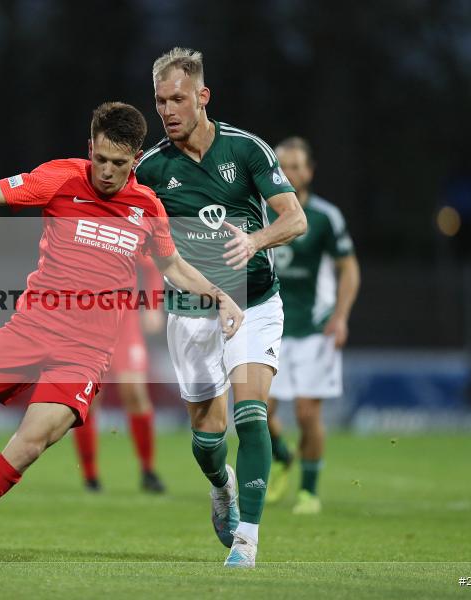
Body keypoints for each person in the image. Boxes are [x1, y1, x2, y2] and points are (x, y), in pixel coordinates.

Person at [0, 101, 243, 569]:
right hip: (28, 330)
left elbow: (172, 266)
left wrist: (220, 295)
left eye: (120, 163)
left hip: (84, 354)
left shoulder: (146, 207)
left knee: (28, 445)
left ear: (136, 159)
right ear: (89, 147)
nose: (108, 172)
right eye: (101, 159)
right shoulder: (59, 179)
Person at [134, 48, 306, 567]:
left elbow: (294, 219)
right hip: (190, 311)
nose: (168, 110)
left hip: (254, 302)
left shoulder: (246, 150)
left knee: (251, 413)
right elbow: (132, 238)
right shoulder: (150, 169)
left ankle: (247, 539)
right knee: (207, 443)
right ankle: (223, 486)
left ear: (202, 96)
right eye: (160, 101)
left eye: (178, 99)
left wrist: (255, 241)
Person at [265, 136, 360, 514]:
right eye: (281, 166)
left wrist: (340, 316)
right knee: (256, 410)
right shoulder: (260, 209)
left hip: (315, 328)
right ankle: (282, 455)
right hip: (271, 324)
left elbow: (349, 267)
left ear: (309, 171)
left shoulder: (324, 217)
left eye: (295, 166)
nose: (288, 172)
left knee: (307, 413)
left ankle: (308, 491)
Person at [72, 257, 167, 493]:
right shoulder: (81, 226)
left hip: (125, 322)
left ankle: (148, 470)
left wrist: (153, 306)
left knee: (134, 392)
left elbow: (152, 265)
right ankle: (90, 476)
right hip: (87, 323)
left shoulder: (126, 222)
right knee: (88, 398)